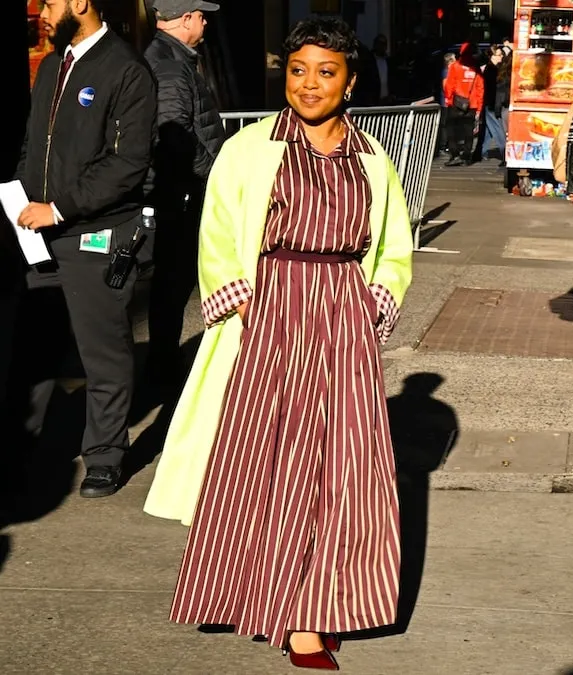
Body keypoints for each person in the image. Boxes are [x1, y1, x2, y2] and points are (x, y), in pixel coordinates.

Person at [141, 17, 414, 667]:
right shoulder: (249, 148)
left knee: (343, 471)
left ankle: (324, 603)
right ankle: (282, 611)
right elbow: (218, 232)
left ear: (349, 81)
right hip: (268, 319)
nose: (310, 84)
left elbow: (395, 248)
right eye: (298, 70)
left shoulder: (374, 159)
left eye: (326, 72)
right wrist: (240, 305)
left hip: (343, 318)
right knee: (264, 467)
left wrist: (373, 304)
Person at [9, 0, 156, 498]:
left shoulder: (126, 69)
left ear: (81, 3)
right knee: (33, 350)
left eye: (50, 2)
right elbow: (35, 143)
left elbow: (128, 163)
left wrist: (60, 207)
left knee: (103, 351)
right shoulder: (53, 65)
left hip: (96, 233)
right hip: (38, 232)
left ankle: (104, 457)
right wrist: (25, 195)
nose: (42, 13)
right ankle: (19, 452)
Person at [144, 0, 226, 389]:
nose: (206, 21)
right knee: (172, 284)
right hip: (180, 194)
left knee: (173, 285)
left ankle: (163, 362)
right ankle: (162, 368)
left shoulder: (173, 58)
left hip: (182, 190)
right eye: (201, 14)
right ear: (187, 18)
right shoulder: (171, 64)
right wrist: (213, 170)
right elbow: (174, 132)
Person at [442, 43, 483, 167]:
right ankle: (466, 156)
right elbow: (480, 87)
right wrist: (479, 106)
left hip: (456, 102)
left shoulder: (455, 66)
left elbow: (450, 85)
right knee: (468, 131)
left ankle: (454, 154)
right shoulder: (476, 68)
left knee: (451, 129)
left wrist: (449, 100)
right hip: (472, 103)